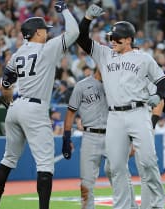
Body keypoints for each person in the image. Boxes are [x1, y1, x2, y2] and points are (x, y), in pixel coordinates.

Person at [0, 1, 79, 209]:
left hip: (17, 105)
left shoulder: (17, 54)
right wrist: (65, 11)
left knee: (8, 159)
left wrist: (10, 103)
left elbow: (6, 85)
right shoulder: (48, 49)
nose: (46, 33)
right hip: (35, 108)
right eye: (44, 30)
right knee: (45, 164)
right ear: (37, 32)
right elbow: (74, 32)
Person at [75, 4, 165, 209]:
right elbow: (81, 38)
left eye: (116, 39)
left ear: (128, 40)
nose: (112, 41)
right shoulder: (105, 55)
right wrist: (87, 18)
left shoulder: (143, 58)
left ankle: (156, 205)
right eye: (111, 38)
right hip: (115, 116)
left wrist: (158, 95)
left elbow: (162, 81)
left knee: (148, 162)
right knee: (115, 166)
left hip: (138, 112)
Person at [62, 69, 138, 209]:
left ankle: (132, 207)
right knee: (86, 182)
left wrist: (132, 139)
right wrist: (66, 137)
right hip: (90, 135)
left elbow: (128, 113)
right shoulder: (82, 85)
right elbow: (71, 111)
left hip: (114, 134)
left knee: (121, 175)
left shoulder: (118, 84)